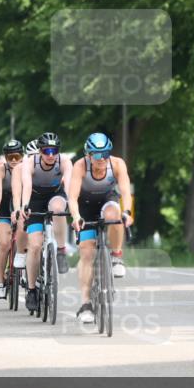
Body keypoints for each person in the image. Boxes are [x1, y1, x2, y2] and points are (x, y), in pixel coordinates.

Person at [67, 133, 134, 324]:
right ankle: (86, 304)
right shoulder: (80, 166)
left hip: (108, 201)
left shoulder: (117, 164)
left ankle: (116, 257)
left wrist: (127, 212)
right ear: (88, 155)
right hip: (85, 206)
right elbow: (72, 197)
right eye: (97, 155)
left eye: (105, 153)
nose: (102, 158)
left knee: (115, 215)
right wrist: (76, 217)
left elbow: (125, 192)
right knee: (87, 253)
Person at [14, 132, 73, 312]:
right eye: (46, 150)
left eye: (54, 151)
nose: (50, 155)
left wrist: (73, 206)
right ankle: (32, 290)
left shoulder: (64, 161)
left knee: (58, 208)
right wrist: (24, 206)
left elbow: (69, 186)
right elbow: (27, 185)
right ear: (39, 151)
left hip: (56, 194)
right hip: (35, 198)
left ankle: (61, 250)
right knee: (35, 245)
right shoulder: (30, 163)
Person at [0, 139, 26, 299]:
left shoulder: (27, 169)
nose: (13, 161)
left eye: (17, 157)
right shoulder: (1, 170)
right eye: (10, 157)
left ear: (23, 156)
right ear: (5, 157)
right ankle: (0, 281)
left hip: (21, 210)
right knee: (4, 244)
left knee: (29, 239)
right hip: (4, 210)